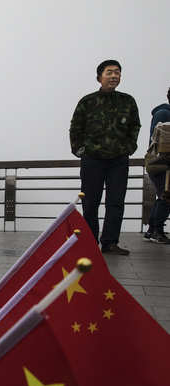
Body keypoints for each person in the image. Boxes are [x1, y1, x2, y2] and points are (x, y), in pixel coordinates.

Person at [70, 59, 141, 255]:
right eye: (109, 72)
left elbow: (135, 125)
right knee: (90, 202)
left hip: (118, 160)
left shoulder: (128, 101)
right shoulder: (88, 101)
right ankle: (91, 241)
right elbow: (75, 127)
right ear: (99, 77)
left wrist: (130, 146)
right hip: (92, 159)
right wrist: (80, 150)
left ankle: (110, 242)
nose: (114, 76)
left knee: (116, 201)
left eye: (117, 72)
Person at [144, 86, 170, 244]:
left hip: (160, 162)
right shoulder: (164, 113)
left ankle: (151, 229)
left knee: (163, 195)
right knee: (166, 196)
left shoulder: (163, 113)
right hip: (161, 162)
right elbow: (160, 141)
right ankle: (156, 230)